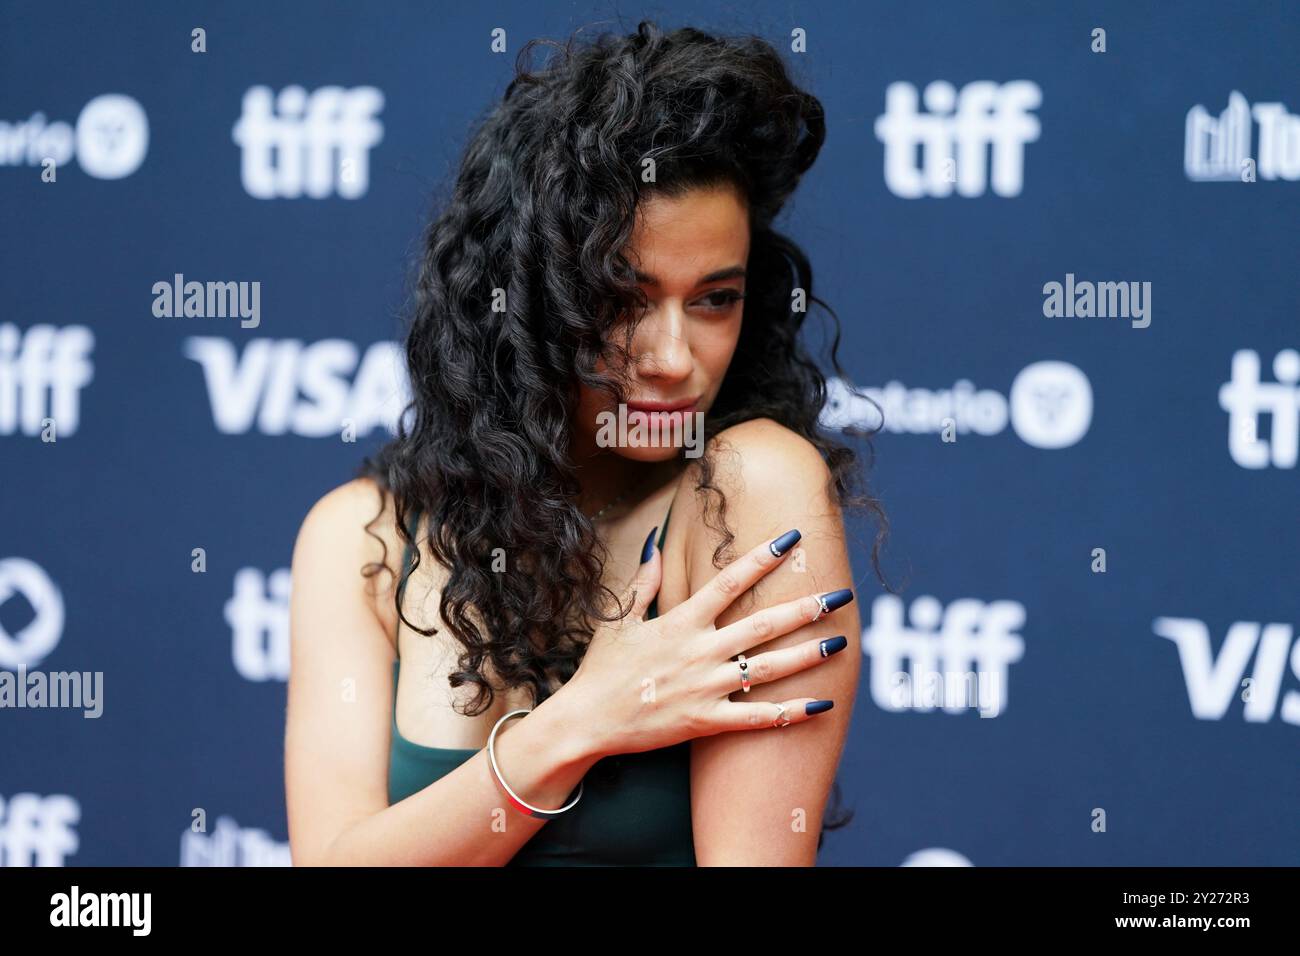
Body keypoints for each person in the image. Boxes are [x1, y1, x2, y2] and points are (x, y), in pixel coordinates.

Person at [285, 20, 885, 866]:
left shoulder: (748, 493)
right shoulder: (365, 541)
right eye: (622, 299)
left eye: (714, 299)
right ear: (525, 298)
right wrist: (580, 723)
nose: (674, 359)